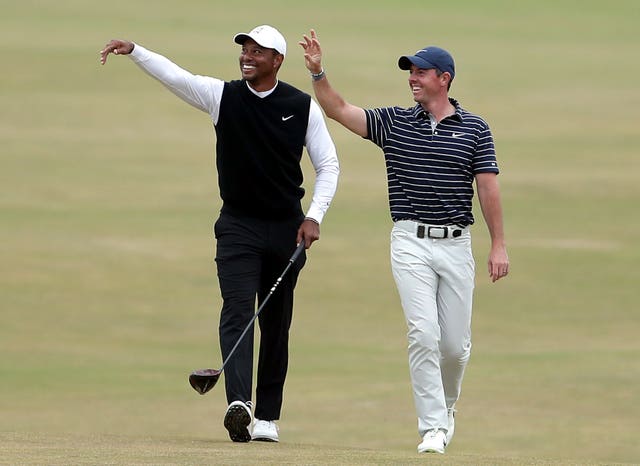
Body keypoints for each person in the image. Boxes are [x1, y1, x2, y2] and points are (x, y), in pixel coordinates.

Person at [100, 25, 339, 444]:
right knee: (236, 310)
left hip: (287, 229)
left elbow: (329, 166)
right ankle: (240, 405)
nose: (247, 56)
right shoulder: (222, 95)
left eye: (257, 51)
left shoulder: (301, 107)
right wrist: (135, 50)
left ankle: (268, 416)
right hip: (237, 226)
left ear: (277, 61)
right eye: (244, 49)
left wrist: (314, 217)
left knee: (276, 324)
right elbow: (177, 77)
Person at [300, 30, 509, 454]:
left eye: (420, 72)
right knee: (422, 334)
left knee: (454, 346)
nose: (412, 78)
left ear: (444, 78)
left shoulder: (474, 129)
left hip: (455, 243)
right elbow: (339, 109)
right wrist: (319, 72)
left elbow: (488, 188)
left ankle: (447, 408)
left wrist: (498, 244)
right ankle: (432, 426)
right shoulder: (394, 123)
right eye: (410, 72)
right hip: (409, 241)